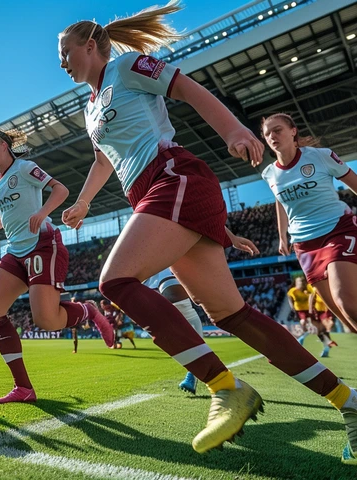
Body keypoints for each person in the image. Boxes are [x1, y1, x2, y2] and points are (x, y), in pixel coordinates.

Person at [57, 3, 357, 460]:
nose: (62, 62)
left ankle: (224, 386)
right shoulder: (90, 107)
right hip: (156, 196)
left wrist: (234, 130)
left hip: (174, 178)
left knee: (115, 281)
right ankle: (350, 405)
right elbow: (103, 160)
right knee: (230, 315)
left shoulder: (128, 66)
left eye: (65, 51)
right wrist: (82, 202)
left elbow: (186, 88)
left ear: (90, 46)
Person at [0, 127, 114, 404]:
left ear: (5, 146)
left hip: (44, 244)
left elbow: (60, 189)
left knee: (47, 321)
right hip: (15, 252)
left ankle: (87, 310)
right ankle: (24, 388)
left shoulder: (25, 168)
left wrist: (42, 213)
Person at [261, 112, 357, 336]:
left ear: (293, 131)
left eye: (278, 130)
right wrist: (283, 236)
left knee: (347, 302)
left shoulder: (320, 156)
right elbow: (280, 202)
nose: (272, 136)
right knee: (347, 321)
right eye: (267, 134)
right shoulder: (269, 173)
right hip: (304, 245)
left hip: (337, 230)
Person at [145, 230, 259, 395]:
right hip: (148, 255)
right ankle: (196, 365)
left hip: (175, 247)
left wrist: (231, 238)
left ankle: (195, 371)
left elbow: (200, 206)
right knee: (155, 320)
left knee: (176, 299)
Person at [309, 287, 338, 356]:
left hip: (327, 312)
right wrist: (311, 310)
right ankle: (327, 345)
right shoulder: (315, 289)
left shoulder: (330, 289)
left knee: (324, 330)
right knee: (319, 332)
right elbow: (311, 299)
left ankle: (327, 347)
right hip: (317, 312)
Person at [287, 276, 314, 345]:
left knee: (313, 324)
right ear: (296, 283)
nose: (300, 283)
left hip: (308, 309)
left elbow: (312, 296)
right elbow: (289, 297)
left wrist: (312, 306)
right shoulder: (293, 291)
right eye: (299, 281)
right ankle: (303, 336)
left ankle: (304, 336)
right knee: (303, 322)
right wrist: (292, 306)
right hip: (300, 310)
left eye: (302, 281)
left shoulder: (307, 289)